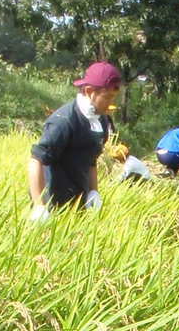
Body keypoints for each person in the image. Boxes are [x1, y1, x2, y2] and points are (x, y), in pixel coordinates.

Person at [27, 61, 122, 219]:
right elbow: (36, 160)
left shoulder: (101, 121)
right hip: (52, 206)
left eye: (114, 98)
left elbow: (91, 160)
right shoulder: (64, 121)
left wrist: (93, 191)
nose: (111, 103)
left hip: (78, 204)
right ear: (89, 91)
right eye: (107, 97)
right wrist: (39, 206)